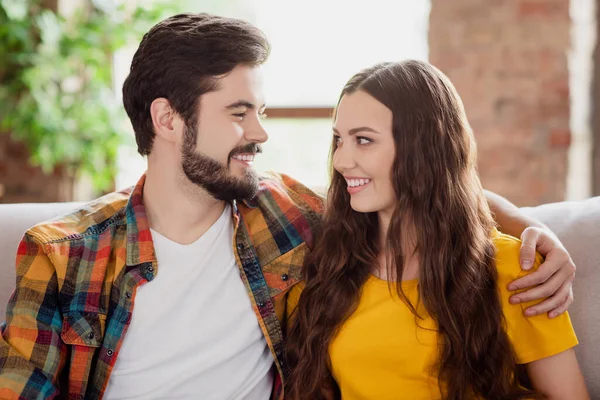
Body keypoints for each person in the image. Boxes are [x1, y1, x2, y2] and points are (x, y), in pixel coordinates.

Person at [0, 14, 577, 400]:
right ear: (167, 119)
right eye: (238, 112)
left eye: (264, 113)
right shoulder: (64, 254)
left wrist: (530, 227)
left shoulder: (285, 218)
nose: (260, 133)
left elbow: (429, 192)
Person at [285, 60, 588, 400]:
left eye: (364, 140)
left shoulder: (514, 269)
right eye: (339, 140)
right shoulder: (328, 269)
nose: (341, 161)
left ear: (424, 148)